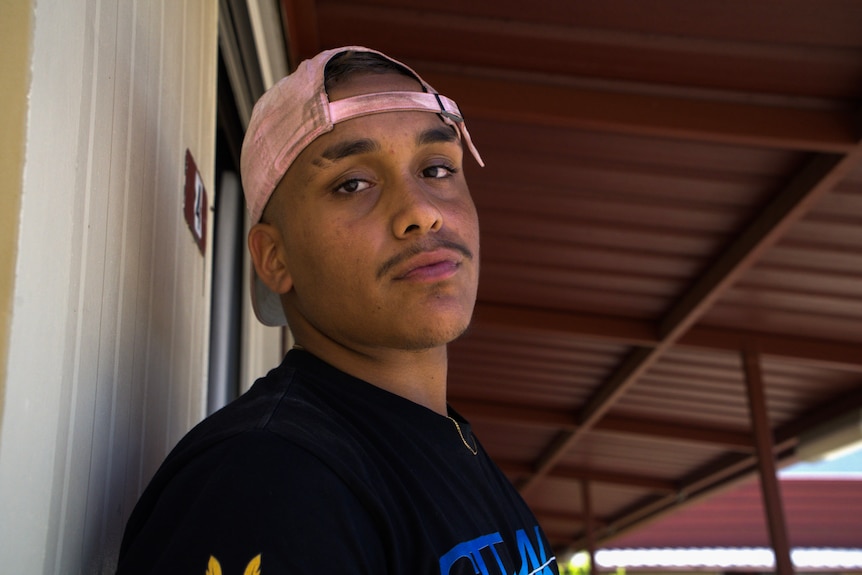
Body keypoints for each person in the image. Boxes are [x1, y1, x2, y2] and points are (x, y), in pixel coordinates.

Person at [115, 46, 559, 575]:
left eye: (437, 168)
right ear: (275, 258)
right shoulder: (271, 480)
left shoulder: (449, 442)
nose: (421, 211)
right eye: (353, 184)